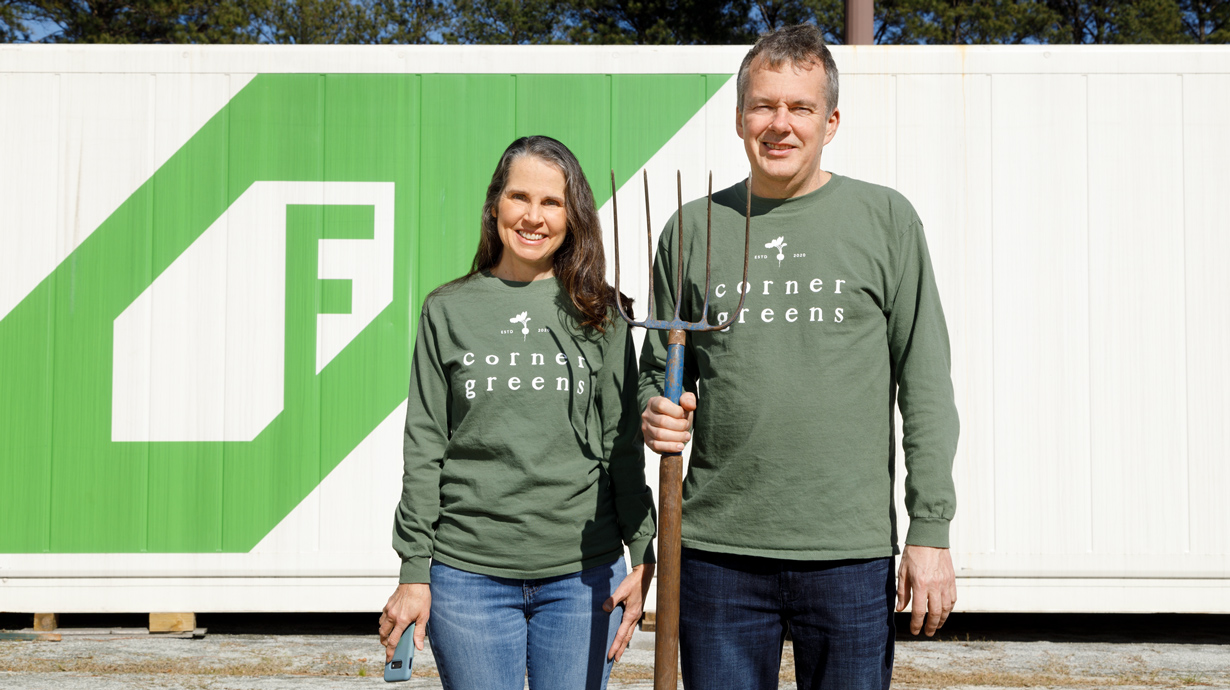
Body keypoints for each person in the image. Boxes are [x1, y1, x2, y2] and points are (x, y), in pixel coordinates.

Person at [638, 25, 959, 690]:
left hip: (847, 553)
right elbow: (654, 370)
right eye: (763, 106)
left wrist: (930, 528)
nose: (779, 124)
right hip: (717, 552)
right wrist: (655, 410)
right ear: (738, 118)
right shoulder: (691, 230)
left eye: (800, 108)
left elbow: (924, 384)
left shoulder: (885, 220)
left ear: (831, 121)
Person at [380, 135, 656, 690]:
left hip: (584, 577)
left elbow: (621, 446)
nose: (533, 217)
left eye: (552, 202)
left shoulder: (602, 314)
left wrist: (645, 551)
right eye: (519, 198)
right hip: (468, 576)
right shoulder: (448, 309)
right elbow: (426, 445)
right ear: (495, 206)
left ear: (573, 215)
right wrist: (414, 570)